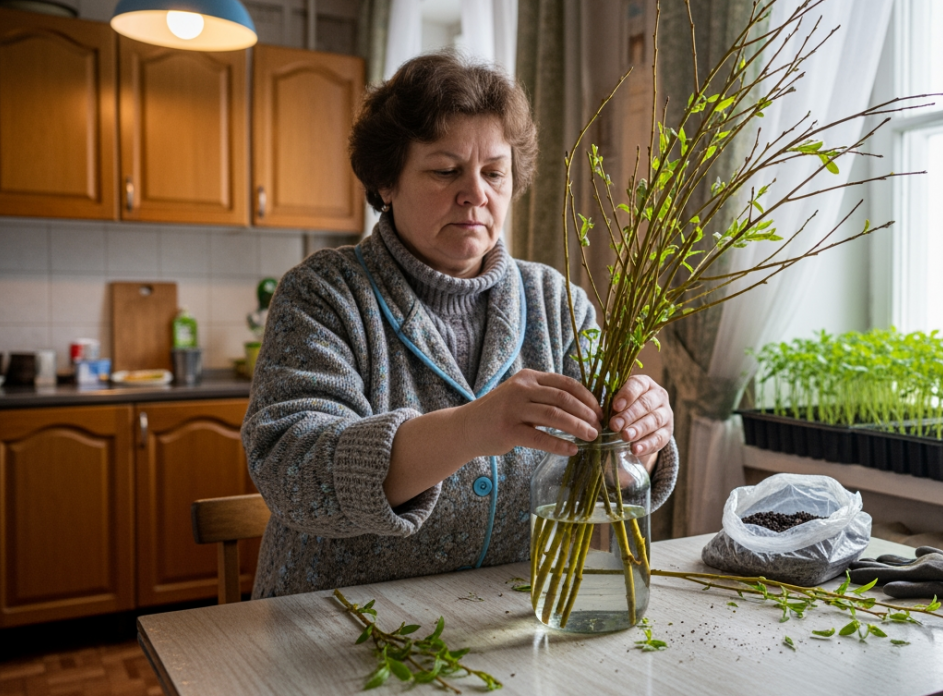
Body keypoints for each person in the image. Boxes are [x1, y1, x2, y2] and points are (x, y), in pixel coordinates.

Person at [241, 51, 678, 599]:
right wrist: (473, 428)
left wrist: (639, 439)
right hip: (333, 618)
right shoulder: (323, 293)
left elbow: (596, 478)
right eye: (446, 171)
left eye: (494, 172)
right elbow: (293, 471)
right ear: (386, 182)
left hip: (503, 617)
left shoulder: (555, 301)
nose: (476, 193)